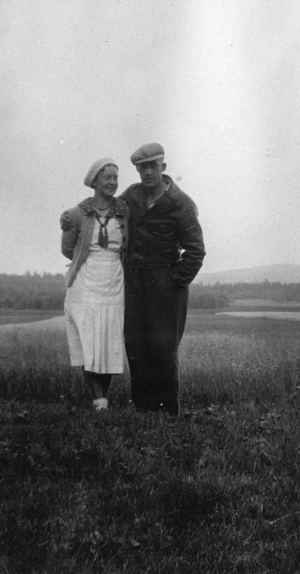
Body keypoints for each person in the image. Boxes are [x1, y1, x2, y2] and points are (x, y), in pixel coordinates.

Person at [123, 143, 205, 416]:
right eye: (142, 168)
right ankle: (143, 411)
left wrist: (175, 280)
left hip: (165, 282)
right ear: (137, 170)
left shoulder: (181, 203)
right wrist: (75, 216)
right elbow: (107, 210)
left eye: (153, 166)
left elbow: (196, 250)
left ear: (163, 167)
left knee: (163, 347)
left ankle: (168, 413)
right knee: (135, 345)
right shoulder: (131, 196)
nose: (147, 172)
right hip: (134, 281)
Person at [61, 158, 128, 411]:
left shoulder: (124, 210)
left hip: (115, 281)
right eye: (106, 177)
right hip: (85, 283)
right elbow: (67, 249)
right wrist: (87, 260)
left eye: (115, 177)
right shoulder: (77, 213)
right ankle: (98, 400)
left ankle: (104, 399)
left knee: (109, 340)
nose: (112, 182)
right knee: (90, 341)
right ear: (95, 181)